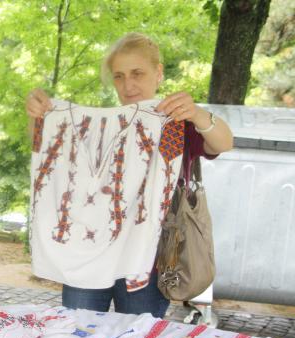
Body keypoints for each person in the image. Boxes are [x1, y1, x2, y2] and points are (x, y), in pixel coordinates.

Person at [25, 32, 233, 318]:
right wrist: (40, 117)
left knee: (136, 337)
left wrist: (197, 114)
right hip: (87, 256)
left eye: (137, 73)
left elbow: (223, 143)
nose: (128, 85)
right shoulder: (95, 125)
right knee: (78, 333)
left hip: (147, 262)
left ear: (158, 73)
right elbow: (51, 153)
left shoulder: (174, 122)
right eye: (119, 76)